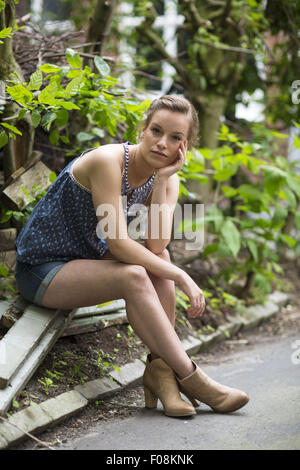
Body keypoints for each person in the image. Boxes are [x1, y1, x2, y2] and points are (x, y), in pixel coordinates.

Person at [14, 95, 249, 417]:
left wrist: (163, 181)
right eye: (156, 131)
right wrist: (181, 275)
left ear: (185, 146)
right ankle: (195, 379)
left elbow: (155, 245)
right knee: (136, 273)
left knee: (159, 260)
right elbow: (120, 243)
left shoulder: (168, 178)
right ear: (142, 129)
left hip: (86, 267)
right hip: (43, 271)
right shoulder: (108, 162)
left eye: (175, 138)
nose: (162, 143)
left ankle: (161, 375)